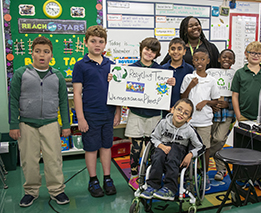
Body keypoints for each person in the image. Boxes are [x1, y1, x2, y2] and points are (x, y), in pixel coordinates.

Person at [9, 36, 71, 207]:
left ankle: (57, 190)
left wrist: (66, 125)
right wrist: (13, 124)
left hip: (51, 124)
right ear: (32, 53)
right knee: (29, 160)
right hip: (27, 125)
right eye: (38, 51)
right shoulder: (21, 74)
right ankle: (30, 191)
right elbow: (13, 100)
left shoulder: (57, 76)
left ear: (51, 55)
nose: (41, 55)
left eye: (46, 52)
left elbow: (64, 102)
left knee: (54, 159)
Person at [72, 25, 121, 197]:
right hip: (90, 114)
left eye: (101, 41)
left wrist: (118, 112)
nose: (97, 44)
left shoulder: (112, 65)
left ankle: (107, 178)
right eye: (93, 41)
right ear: (86, 43)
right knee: (91, 148)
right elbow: (77, 93)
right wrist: (81, 118)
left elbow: (119, 91)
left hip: (108, 113)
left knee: (107, 146)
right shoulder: (80, 66)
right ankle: (93, 180)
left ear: (105, 44)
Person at [127, 37, 175, 191]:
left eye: (153, 51)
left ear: (156, 54)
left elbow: (163, 92)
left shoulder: (161, 71)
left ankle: (149, 174)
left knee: (152, 147)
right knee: (135, 147)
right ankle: (134, 176)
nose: (149, 52)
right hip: (136, 114)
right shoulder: (131, 68)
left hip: (154, 115)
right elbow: (123, 86)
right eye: (147, 49)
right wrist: (115, 80)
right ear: (141, 49)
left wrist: (170, 83)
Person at [139, 98, 205, 200]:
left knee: (173, 152)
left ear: (189, 119)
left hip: (179, 153)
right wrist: (161, 146)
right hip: (163, 147)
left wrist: (190, 154)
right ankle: (152, 185)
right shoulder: (163, 123)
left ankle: (170, 188)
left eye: (186, 113)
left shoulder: (190, 131)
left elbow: (200, 146)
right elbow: (153, 137)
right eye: (179, 109)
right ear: (172, 110)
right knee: (158, 155)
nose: (181, 113)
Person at [231, 41, 261, 191]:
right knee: (244, 149)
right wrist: (239, 115)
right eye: (253, 53)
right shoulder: (240, 73)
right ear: (246, 54)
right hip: (246, 118)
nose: (256, 56)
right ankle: (243, 177)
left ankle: (259, 175)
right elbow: (235, 96)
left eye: (259, 54)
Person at [180, 48, 220, 191]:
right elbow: (182, 98)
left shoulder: (211, 80)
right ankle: (188, 175)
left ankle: (204, 173)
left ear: (208, 61)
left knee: (205, 148)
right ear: (193, 61)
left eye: (203, 59)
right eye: (196, 59)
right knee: (187, 148)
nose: (199, 62)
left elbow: (216, 101)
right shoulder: (188, 78)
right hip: (189, 121)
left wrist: (205, 102)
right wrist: (190, 86)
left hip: (204, 121)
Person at [209, 49, 236, 181]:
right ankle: (221, 169)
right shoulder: (211, 74)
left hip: (228, 114)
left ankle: (205, 155)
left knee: (219, 139)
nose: (226, 60)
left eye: (230, 58)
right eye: (224, 57)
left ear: (234, 61)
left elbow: (238, 97)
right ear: (219, 59)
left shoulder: (235, 76)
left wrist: (228, 105)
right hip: (212, 114)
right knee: (211, 140)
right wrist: (211, 104)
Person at [161, 38, 194, 117]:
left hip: (183, 112)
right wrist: (165, 106)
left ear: (184, 52)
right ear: (169, 52)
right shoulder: (162, 69)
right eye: (173, 49)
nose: (176, 52)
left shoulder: (190, 69)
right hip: (166, 110)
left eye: (179, 49)